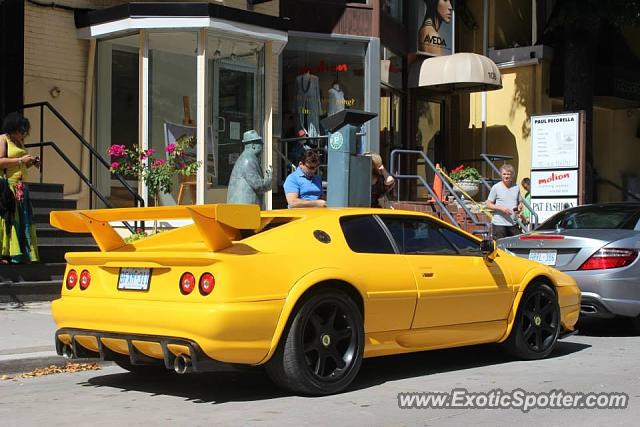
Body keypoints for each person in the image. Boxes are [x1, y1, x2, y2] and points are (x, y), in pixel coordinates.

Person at [0, 112, 40, 264]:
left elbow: (20, 164)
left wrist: (31, 162)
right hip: (9, 185)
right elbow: (1, 161)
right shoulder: (3, 139)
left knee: (23, 219)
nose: (22, 135)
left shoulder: (20, 143)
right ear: (12, 128)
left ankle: (23, 252)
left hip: (22, 187)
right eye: (20, 131)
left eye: (24, 132)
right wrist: (21, 160)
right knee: (10, 219)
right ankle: (6, 253)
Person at [226, 130, 272, 206]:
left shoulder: (249, 158)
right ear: (253, 145)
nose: (262, 145)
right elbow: (258, 185)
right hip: (243, 210)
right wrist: (268, 180)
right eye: (260, 143)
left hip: (247, 209)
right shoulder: (247, 160)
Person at [485, 164, 523, 240]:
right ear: (501, 175)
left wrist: (519, 207)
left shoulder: (516, 187)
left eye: (508, 174)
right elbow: (488, 204)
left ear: (512, 175)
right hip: (499, 224)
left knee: (514, 246)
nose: (506, 176)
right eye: (504, 174)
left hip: (513, 223)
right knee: (500, 248)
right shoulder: (496, 187)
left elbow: (520, 202)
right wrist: (501, 208)